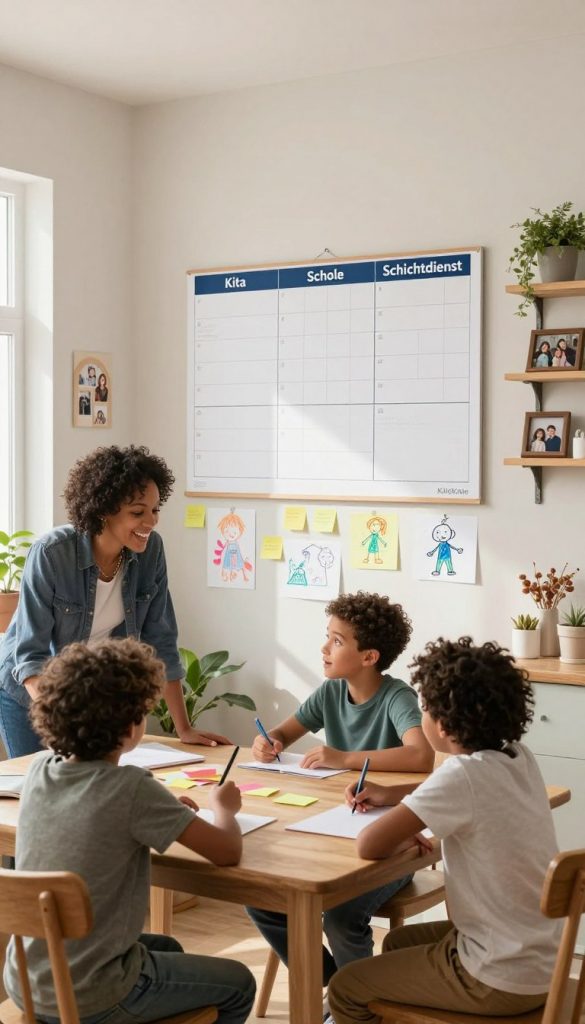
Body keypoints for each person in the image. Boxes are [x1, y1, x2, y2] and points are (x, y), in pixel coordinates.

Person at [3, 637, 256, 1024]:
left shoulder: (41, 771)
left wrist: (162, 806)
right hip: (95, 993)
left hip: (29, 981)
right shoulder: (133, 788)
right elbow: (226, 852)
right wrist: (224, 809)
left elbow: (101, 810)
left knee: (167, 946)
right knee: (239, 984)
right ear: (130, 726)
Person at [328, 636, 561, 1023]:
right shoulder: (516, 757)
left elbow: (370, 844)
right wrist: (393, 795)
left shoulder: (461, 775)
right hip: (539, 958)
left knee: (347, 987)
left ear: (443, 723)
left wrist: (403, 824)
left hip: (493, 976)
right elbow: (464, 794)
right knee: (400, 942)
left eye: (424, 708)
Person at [246, 592, 433, 994]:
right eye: (327, 637)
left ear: (369, 656)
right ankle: (339, 989)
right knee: (261, 898)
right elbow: (284, 731)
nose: (324, 648)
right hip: (329, 831)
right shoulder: (330, 693)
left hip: (391, 843)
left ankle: (358, 1005)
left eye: (337, 640)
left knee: (342, 916)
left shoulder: (396, 697)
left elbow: (421, 754)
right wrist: (270, 741)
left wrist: (344, 757)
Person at [0, 444, 232, 758]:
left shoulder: (151, 551)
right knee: (39, 784)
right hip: (30, 695)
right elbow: (30, 656)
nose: (151, 521)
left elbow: (160, 640)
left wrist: (184, 729)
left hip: (91, 701)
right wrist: (66, 729)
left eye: (154, 509)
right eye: (138, 512)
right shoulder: (53, 553)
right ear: (103, 510)